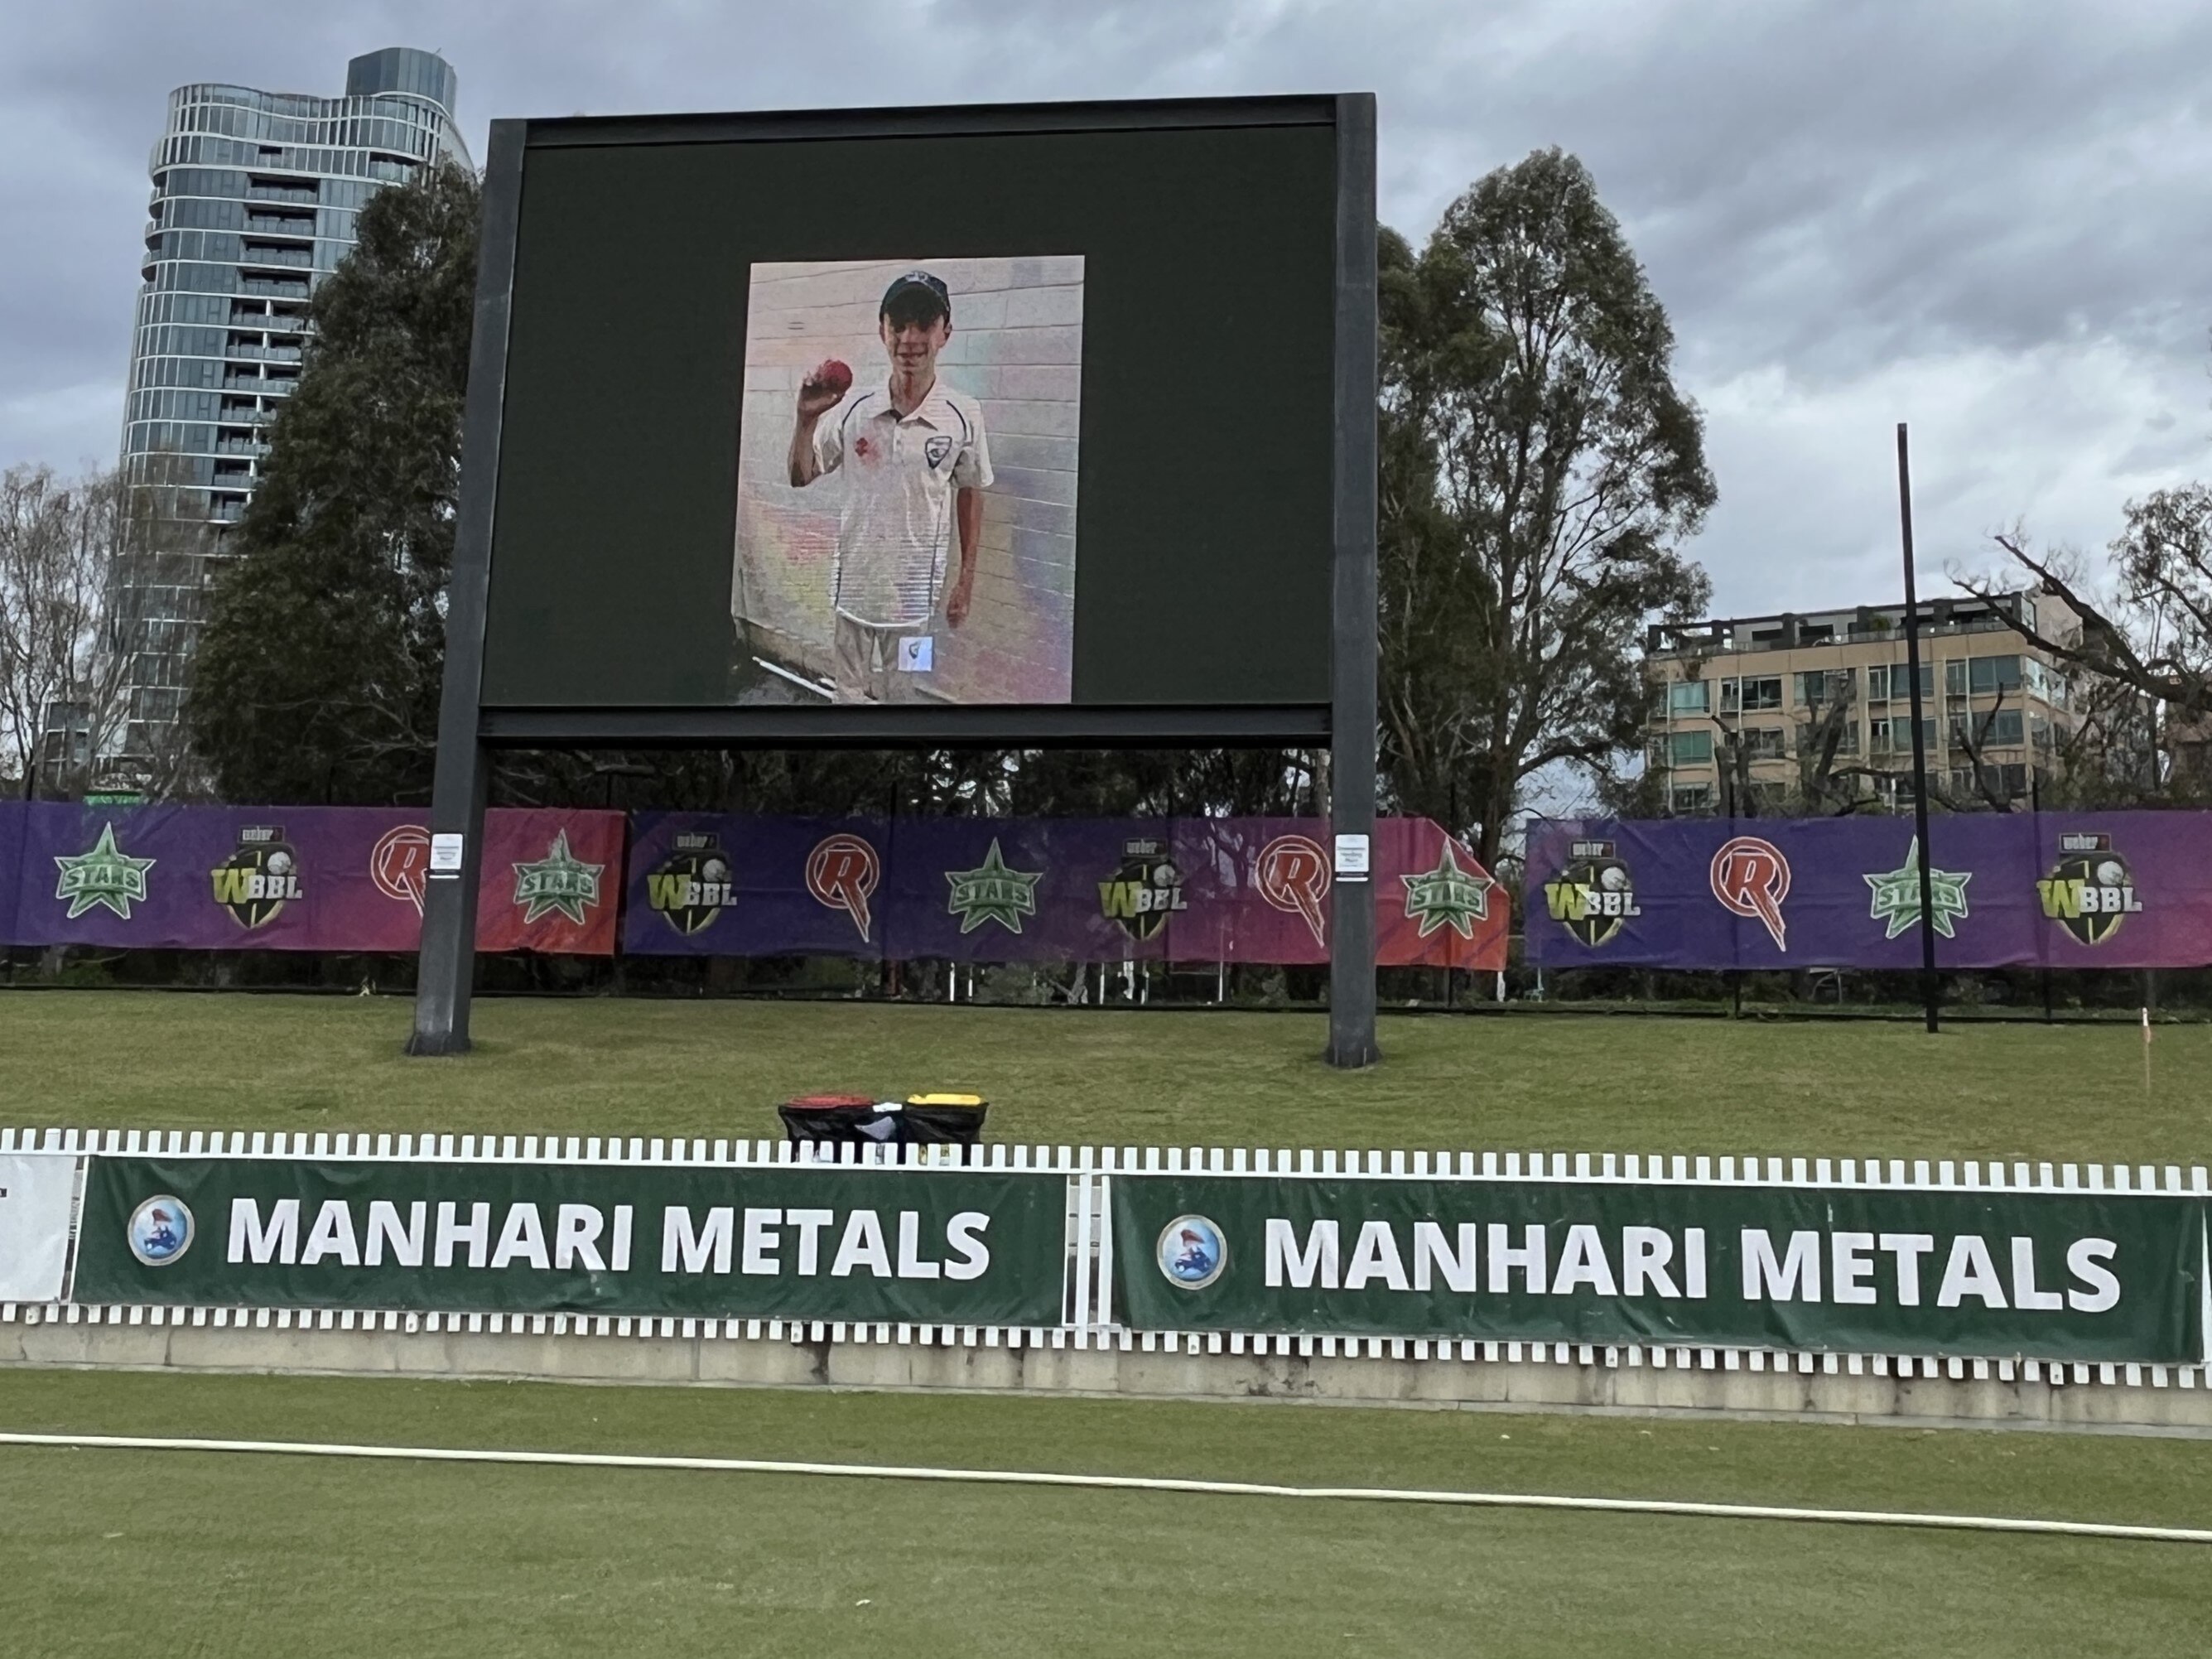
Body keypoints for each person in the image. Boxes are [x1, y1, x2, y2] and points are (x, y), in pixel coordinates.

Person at [787, 269, 993, 703]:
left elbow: (971, 492)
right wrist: (805, 421)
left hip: (917, 605)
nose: (909, 338)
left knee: (904, 696)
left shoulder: (963, 415)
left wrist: (966, 582)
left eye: (924, 324)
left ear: (946, 332)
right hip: (852, 599)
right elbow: (800, 476)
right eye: (898, 324)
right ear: (882, 330)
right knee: (849, 696)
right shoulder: (855, 409)